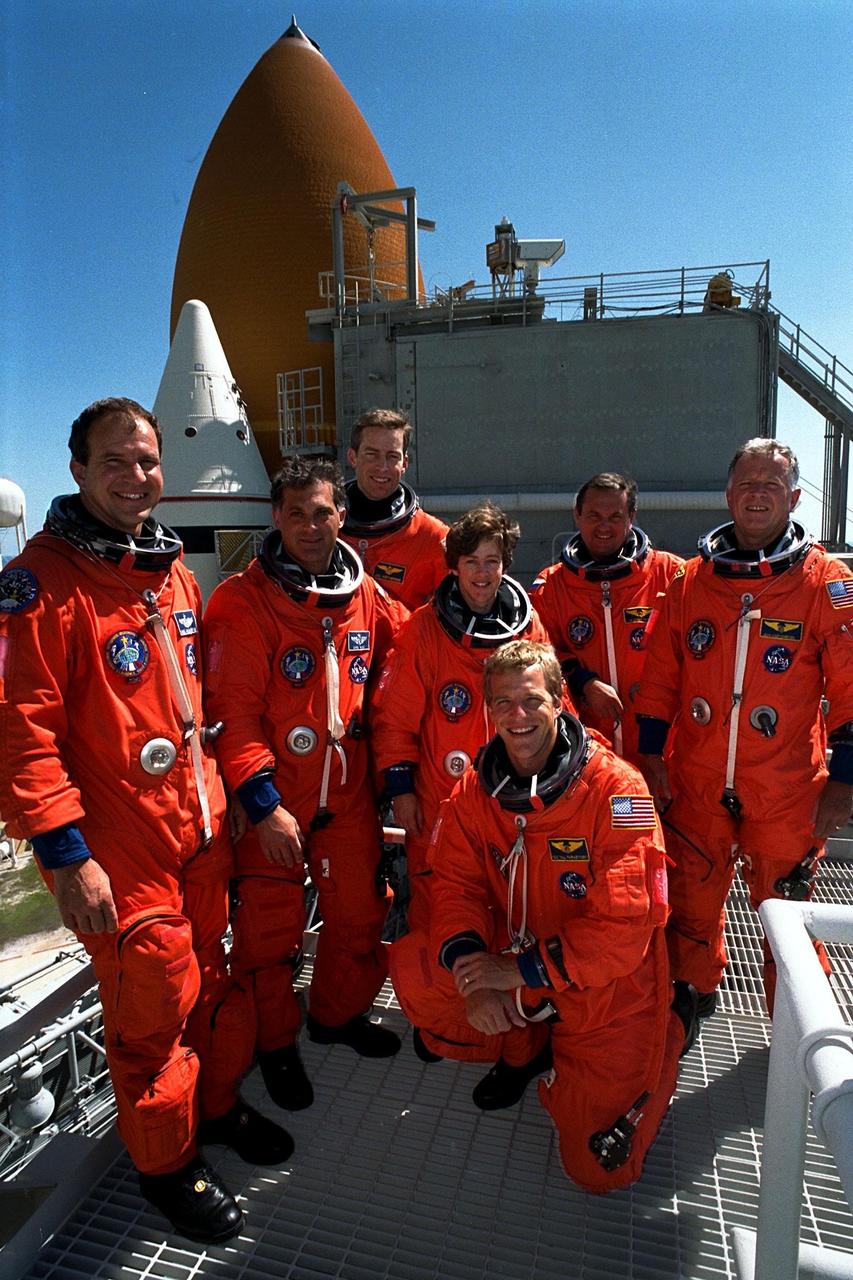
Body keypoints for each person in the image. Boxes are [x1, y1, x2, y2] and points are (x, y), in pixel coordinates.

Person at [0, 398, 292, 1245]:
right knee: (155, 1005)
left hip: (197, 832)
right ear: (79, 471)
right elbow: (21, 734)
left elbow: (192, 706)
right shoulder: (38, 586)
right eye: (116, 462)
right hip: (120, 848)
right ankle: (167, 1166)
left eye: (147, 462)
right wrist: (66, 857)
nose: (136, 478)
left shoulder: (168, 577)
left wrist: (229, 800)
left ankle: (216, 1106)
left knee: (214, 981)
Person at [397, 640, 691, 1192]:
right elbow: (452, 886)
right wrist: (471, 975)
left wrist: (517, 973)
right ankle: (525, 1048)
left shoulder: (617, 790)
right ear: (489, 710)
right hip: (522, 963)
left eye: (531, 699)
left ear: (559, 701)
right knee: (417, 969)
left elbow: (626, 931)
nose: (518, 715)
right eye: (503, 702)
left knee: (598, 1171)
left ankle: (668, 1031)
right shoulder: (473, 793)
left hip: (608, 989)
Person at [203, 457, 407, 1116]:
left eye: (323, 512)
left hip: (344, 799)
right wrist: (261, 805)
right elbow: (231, 717)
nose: (312, 526)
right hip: (275, 804)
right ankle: (276, 1046)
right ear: (275, 518)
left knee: (358, 916)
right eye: (296, 514)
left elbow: (414, 650)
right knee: (269, 939)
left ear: (341, 515)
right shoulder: (242, 600)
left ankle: (336, 1016)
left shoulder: (365, 595)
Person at [634, 439, 853, 1014]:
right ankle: (693, 993)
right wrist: (651, 755)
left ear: (795, 498)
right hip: (698, 781)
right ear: (729, 494)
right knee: (692, 901)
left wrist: (846, 780)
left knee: (787, 915)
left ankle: (794, 1025)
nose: (758, 494)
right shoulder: (688, 581)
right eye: (748, 483)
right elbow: (659, 678)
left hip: (785, 788)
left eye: (772, 485)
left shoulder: (824, 582)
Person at [372, 502, 552, 933]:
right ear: (454, 566)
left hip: (514, 800)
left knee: (516, 909)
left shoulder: (528, 627)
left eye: (492, 561)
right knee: (443, 913)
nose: (482, 573)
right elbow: (394, 720)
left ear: (505, 565)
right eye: (472, 561)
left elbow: (554, 706)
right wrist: (401, 791)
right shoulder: (422, 632)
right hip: (441, 800)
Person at [530, 472, 683, 763]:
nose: (604, 526)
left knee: (650, 809)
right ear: (577, 515)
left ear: (632, 517)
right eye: (593, 515)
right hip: (589, 754)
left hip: (663, 753)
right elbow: (538, 657)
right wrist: (583, 682)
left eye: (615, 516)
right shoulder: (551, 587)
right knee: (619, 807)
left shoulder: (672, 575)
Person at [341, 408, 448, 610]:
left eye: (392, 457)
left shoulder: (431, 536)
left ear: (405, 463)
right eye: (372, 455)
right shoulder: (325, 527)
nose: (382, 467)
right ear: (353, 457)